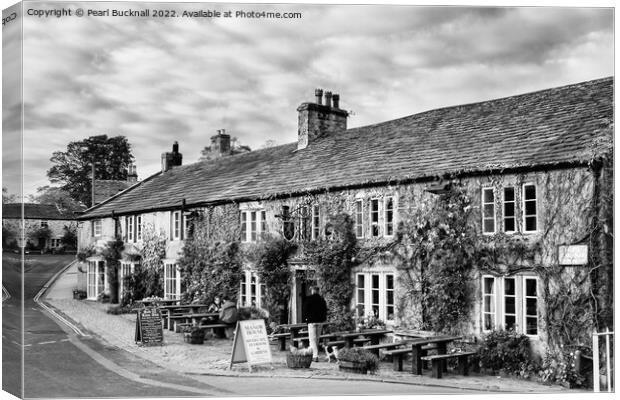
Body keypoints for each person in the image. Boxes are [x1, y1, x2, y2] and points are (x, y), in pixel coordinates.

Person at [302, 286, 328, 362]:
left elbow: (305, 311)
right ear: (318, 291)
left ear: (312, 291)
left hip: (311, 321)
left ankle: (315, 356)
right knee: (317, 339)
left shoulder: (309, 299)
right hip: (320, 321)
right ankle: (313, 354)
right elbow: (325, 311)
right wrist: (323, 319)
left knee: (312, 339)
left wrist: (305, 320)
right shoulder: (322, 300)